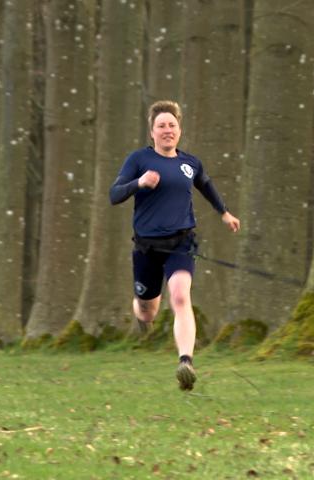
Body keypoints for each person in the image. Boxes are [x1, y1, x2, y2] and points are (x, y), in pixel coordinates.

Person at [109, 100, 240, 391]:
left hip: (181, 242)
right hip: (147, 247)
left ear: (179, 130)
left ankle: (186, 362)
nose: (167, 130)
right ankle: (143, 314)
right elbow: (114, 195)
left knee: (180, 297)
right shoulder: (139, 161)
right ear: (152, 132)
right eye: (161, 126)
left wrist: (224, 213)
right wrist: (138, 183)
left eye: (172, 125)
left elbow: (206, 186)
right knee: (147, 310)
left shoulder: (190, 163)